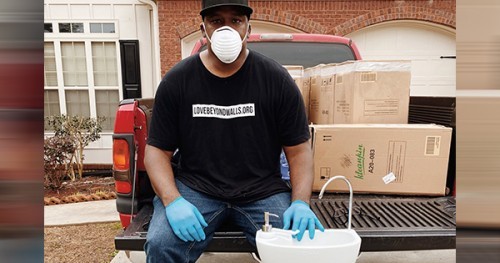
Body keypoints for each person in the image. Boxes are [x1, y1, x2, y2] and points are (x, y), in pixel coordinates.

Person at [144, 0, 324, 261]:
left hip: (262, 192)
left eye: (236, 21)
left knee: (299, 249)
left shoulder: (275, 79)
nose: (226, 29)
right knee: (161, 244)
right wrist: (173, 201)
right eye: (216, 21)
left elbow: (298, 151)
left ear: (248, 29)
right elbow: (157, 152)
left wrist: (301, 202)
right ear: (203, 30)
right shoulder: (178, 81)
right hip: (196, 190)